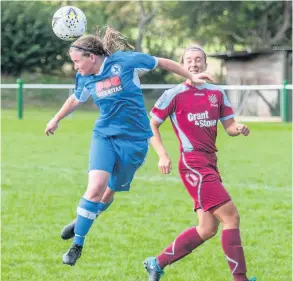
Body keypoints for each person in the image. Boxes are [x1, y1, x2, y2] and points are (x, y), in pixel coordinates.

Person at [45, 27, 214, 267]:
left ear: (91, 57)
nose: (75, 67)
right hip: (104, 135)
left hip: (134, 142)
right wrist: (56, 118)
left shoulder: (125, 62)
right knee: (94, 189)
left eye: (76, 61)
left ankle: (84, 219)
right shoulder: (84, 76)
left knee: (107, 193)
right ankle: (78, 244)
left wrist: (192, 76)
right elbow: (76, 98)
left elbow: (163, 62)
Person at [144, 45, 272, 281]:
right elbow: (152, 126)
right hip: (193, 164)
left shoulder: (217, 93)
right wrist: (162, 154)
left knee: (207, 229)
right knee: (231, 217)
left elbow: (230, 126)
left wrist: (240, 128)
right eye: (189, 60)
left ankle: (156, 263)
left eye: (198, 60)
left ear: (205, 65)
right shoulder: (173, 94)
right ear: (181, 65)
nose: (194, 64)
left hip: (210, 162)